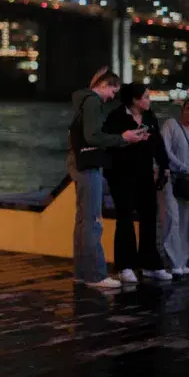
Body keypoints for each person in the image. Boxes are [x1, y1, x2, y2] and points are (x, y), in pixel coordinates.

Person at [67, 69, 148, 290]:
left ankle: (82, 273)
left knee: (83, 220)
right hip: (89, 164)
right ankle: (95, 274)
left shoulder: (82, 100)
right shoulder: (93, 102)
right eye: (113, 90)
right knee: (92, 220)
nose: (113, 96)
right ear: (103, 84)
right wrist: (124, 138)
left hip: (78, 161)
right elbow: (93, 135)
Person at [102, 83, 172, 283]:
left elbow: (158, 143)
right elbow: (108, 143)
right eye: (146, 97)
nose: (149, 100)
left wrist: (164, 165)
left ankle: (150, 264)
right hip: (121, 175)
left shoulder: (149, 117)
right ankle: (125, 266)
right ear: (134, 99)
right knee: (125, 218)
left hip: (144, 173)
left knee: (149, 216)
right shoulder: (116, 117)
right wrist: (128, 140)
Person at [159, 96, 189, 276]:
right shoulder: (170, 125)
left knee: (187, 221)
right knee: (172, 219)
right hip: (170, 178)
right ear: (182, 109)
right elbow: (166, 152)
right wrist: (185, 169)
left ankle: (183, 260)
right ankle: (173, 262)